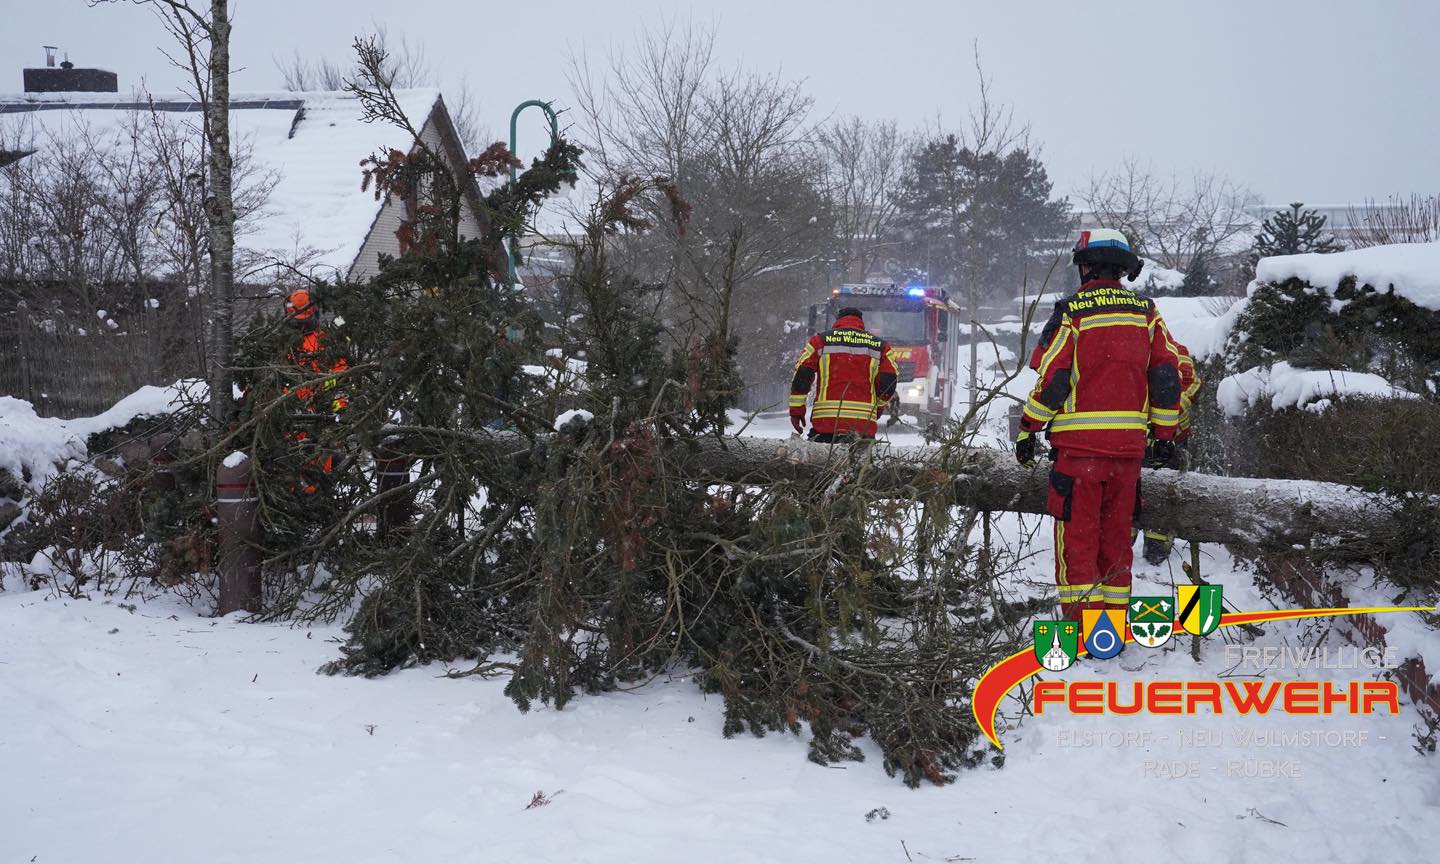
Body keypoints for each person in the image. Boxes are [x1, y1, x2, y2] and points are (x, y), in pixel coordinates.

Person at [1014, 229, 1183, 620]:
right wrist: (1164, 437)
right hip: (1127, 457)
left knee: (1078, 543)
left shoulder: (1073, 311)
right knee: (1116, 544)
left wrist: (1028, 428)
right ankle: (1112, 627)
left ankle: (1082, 629)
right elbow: (1166, 375)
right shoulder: (1146, 312)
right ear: (1123, 269)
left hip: (1078, 458)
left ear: (1085, 266)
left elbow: (1053, 377)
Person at [789, 306, 899, 443]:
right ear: (861, 322)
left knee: (823, 463)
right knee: (859, 463)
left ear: (837, 321)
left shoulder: (820, 341)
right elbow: (888, 380)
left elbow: (802, 375)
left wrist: (796, 410)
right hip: (863, 428)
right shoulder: (881, 346)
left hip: (825, 425)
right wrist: (878, 406)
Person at [1141, 341, 1203, 564]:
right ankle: (1123, 542)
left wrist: (1171, 412)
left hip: (1172, 437)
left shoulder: (1178, 351)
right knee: (1132, 488)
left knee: (1164, 488)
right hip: (1140, 434)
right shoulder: (1134, 347)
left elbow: (1193, 384)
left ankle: (1155, 548)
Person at [282, 288, 348, 494]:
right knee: (297, 459)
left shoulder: (325, 340)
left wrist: (335, 408)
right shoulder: (285, 344)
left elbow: (341, 376)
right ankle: (307, 496)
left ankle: (316, 496)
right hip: (294, 413)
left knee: (318, 458)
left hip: (317, 413)